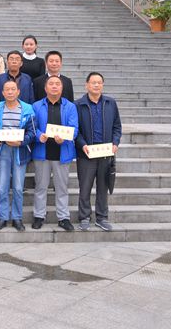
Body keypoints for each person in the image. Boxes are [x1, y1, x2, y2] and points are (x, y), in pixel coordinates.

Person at [75, 72, 122, 232]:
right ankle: (84, 217)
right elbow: (76, 130)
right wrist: (82, 145)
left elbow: (117, 126)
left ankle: (102, 217)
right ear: (86, 85)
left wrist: (115, 143)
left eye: (99, 82)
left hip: (105, 152)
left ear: (102, 85)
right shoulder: (78, 105)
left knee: (103, 186)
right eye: (93, 82)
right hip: (86, 153)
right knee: (85, 186)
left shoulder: (110, 103)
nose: (96, 85)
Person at [32, 76, 78, 231]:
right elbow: (32, 126)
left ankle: (63, 217)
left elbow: (74, 128)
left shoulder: (70, 107)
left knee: (62, 187)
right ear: (45, 88)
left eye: (57, 84)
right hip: (42, 152)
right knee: (41, 186)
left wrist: (64, 138)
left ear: (62, 88)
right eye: (51, 84)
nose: (54, 86)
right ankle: (39, 216)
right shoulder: (36, 106)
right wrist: (39, 135)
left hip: (62, 152)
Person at [0, 80, 36, 232]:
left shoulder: (27, 109)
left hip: (19, 151)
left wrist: (21, 142)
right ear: (3, 93)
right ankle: (2, 217)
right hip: (3, 150)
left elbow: (32, 132)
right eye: (7, 89)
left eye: (13, 89)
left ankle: (17, 217)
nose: (10, 92)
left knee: (17, 187)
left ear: (18, 91)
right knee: (2, 187)